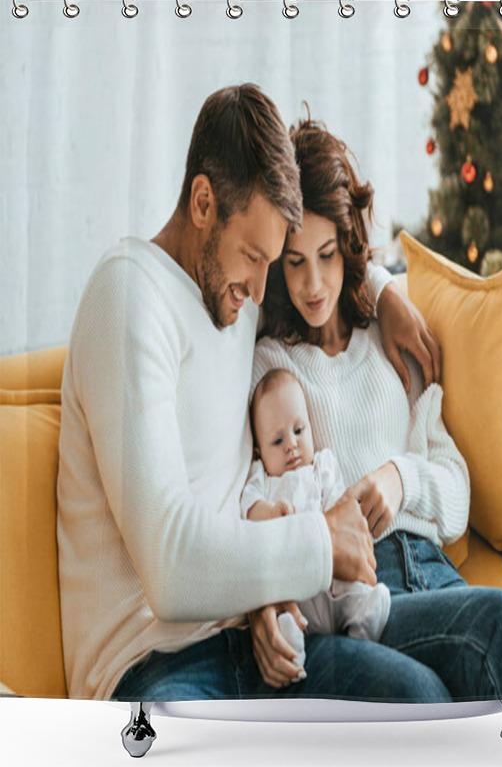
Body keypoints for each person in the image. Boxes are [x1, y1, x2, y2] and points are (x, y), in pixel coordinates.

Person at [56, 84, 442, 701]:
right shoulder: (128, 297)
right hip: (153, 667)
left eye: (273, 262)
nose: (264, 290)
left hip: (259, 635)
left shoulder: (233, 300)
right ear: (203, 201)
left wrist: (383, 288)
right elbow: (171, 565)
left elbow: (323, 246)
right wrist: (322, 540)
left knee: (420, 700)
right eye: (255, 257)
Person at [250, 114, 502, 702]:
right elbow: (254, 497)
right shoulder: (269, 365)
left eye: (327, 255)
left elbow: (456, 498)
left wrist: (401, 477)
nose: (314, 283)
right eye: (294, 262)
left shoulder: (393, 341)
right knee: (494, 640)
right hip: (357, 595)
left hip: (434, 573)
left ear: (348, 248)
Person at [242, 367, 392, 673]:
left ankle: (361, 621)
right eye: (277, 440)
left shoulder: (321, 466)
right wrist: (269, 512)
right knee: (288, 610)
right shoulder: (263, 478)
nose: (291, 445)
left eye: (299, 431)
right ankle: (293, 641)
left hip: (331, 573)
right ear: (259, 450)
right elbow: (248, 507)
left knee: (353, 589)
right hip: (294, 584)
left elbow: (342, 507)